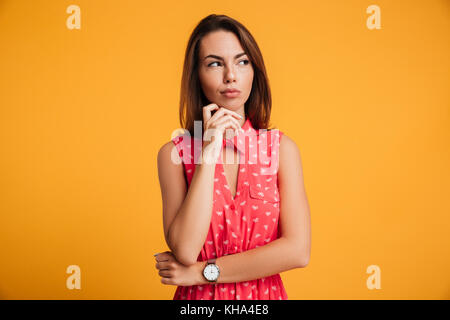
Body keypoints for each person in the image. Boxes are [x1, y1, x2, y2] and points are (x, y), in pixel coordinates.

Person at [156, 14, 311, 300]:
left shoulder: (281, 150)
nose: (231, 75)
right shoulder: (174, 155)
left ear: (255, 70)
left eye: (242, 61)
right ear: (196, 75)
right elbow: (186, 250)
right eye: (215, 63)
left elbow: (298, 251)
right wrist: (209, 153)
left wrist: (202, 273)